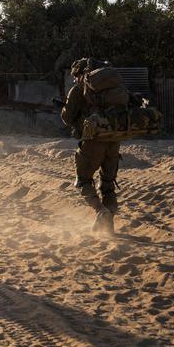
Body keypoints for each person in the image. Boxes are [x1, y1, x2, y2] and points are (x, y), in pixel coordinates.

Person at [60, 57, 142, 236]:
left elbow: (67, 118)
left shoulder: (79, 89)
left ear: (81, 73)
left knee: (83, 180)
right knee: (107, 183)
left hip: (93, 142)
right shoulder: (115, 89)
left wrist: (66, 108)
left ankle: (100, 211)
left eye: (76, 75)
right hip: (113, 140)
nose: (75, 78)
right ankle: (108, 225)